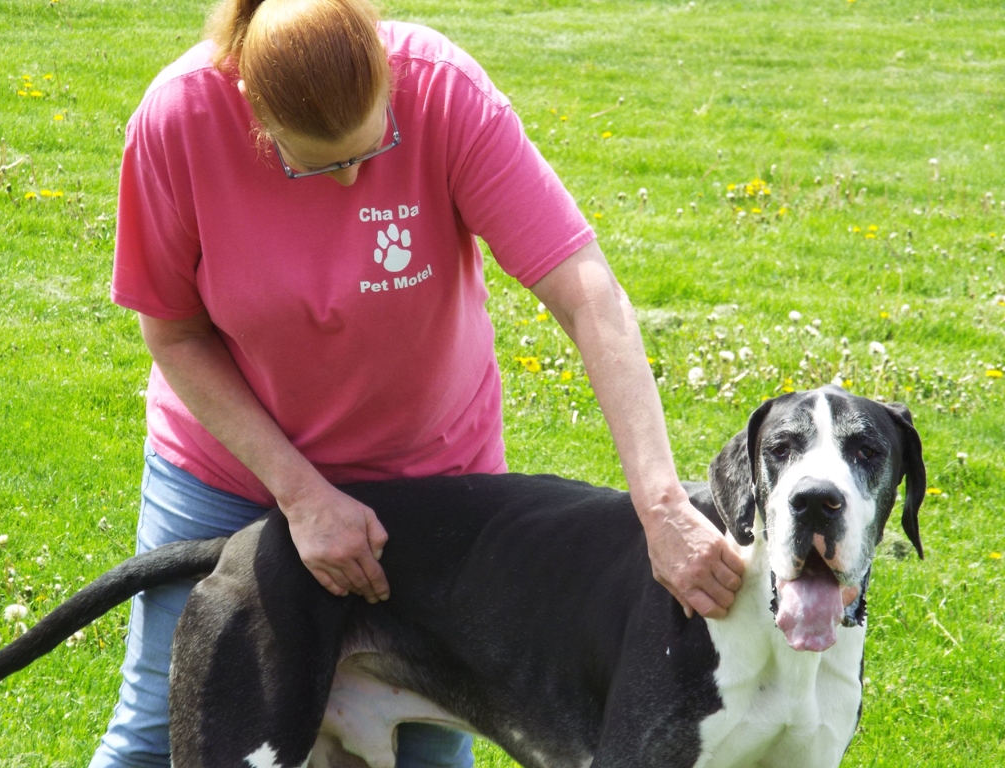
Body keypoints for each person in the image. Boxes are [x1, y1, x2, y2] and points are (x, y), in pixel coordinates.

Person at [95, 0, 745, 765]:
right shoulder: (178, 120)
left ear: (386, 70)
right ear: (255, 114)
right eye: (320, 164)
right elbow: (173, 332)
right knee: (153, 733)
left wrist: (661, 505)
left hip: (433, 492)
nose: (352, 182)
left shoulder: (441, 89)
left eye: (372, 149)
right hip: (231, 470)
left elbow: (587, 294)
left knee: (427, 756)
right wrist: (302, 495)